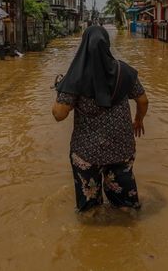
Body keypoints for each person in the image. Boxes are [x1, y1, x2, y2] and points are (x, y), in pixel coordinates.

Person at [52, 25, 149, 213]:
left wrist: (61, 88)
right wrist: (138, 120)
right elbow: (143, 100)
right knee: (125, 206)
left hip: (87, 152)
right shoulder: (124, 71)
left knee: (89, 210)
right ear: (107, 45)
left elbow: (59, 114)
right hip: (121, 148)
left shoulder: (76, 77)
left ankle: (92, 236)